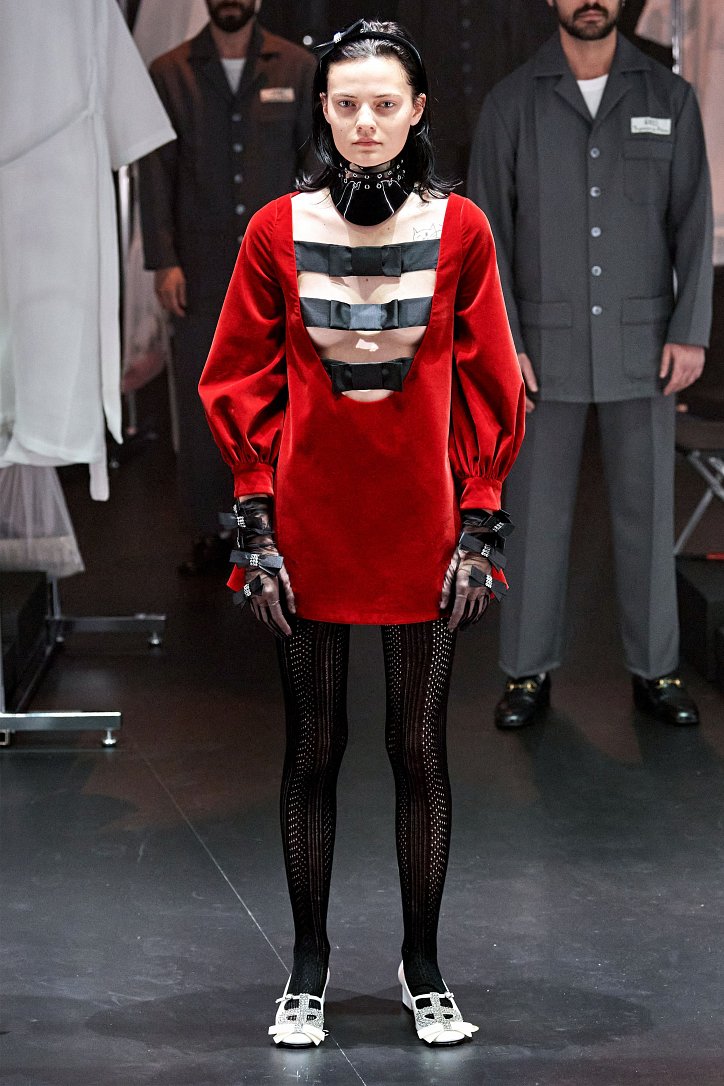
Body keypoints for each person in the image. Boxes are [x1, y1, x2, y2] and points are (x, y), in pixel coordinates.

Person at [199, 19, 525, 1046]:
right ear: (324, 110)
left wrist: (480, 516)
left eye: (386, 103)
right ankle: (309, 966)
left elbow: (491, 378)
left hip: (424, 528)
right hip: (308, 530)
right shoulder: (273, 230)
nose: (367, 122)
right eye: (347, 104)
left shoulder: (463, 230)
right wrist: (255, 517)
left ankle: (423, 964)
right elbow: (239, 375)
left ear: (418, 109)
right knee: (312, 748)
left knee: (419, 749)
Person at [468, 0, 713, 730]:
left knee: (648, 514)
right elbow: (485, 235)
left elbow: (694, 220)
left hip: (644, 342)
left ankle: (657, 669)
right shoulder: (511, 101)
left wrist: (691, 331)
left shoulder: (669, 96)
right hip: (541, 349)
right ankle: (526, 672)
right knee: (534, 515)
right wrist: (502, 342)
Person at [138, 0, 315, 574]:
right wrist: (164, 261)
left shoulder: (297, 68)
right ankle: (210, 528)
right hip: (200, 267)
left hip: (277, 267)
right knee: (205, 403)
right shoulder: (170, 72)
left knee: (280, 398)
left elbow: (315, 170)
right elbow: (156, 173)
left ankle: (276, 527)